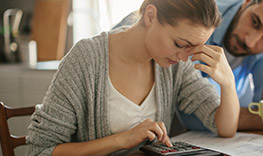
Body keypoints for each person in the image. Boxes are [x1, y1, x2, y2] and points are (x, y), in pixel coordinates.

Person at [26, 0, 240, 155]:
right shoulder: (86, 59)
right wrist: (121, 140)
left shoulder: (173, 66)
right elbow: (41, 150)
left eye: (193, 48)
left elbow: (224, 128)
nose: (185, 57)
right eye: (180, 44)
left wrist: (228, 83)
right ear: (150, 16)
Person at [114, 0, 263, 131]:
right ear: (247, 2)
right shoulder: (197, 17)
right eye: (255, 22)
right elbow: (198, 117)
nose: (251, 41)